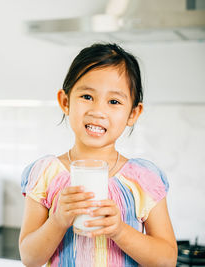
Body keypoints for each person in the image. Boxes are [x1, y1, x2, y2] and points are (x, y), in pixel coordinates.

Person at [19, 43, 177, 267]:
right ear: (65, 102)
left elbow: (167, 260)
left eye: (114, 102)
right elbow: (29, 258)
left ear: (133, 113)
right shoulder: (45, 173)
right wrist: (57, 220)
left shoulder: (143, 179)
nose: (98, 111)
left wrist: (119, 231)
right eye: (86, 96)